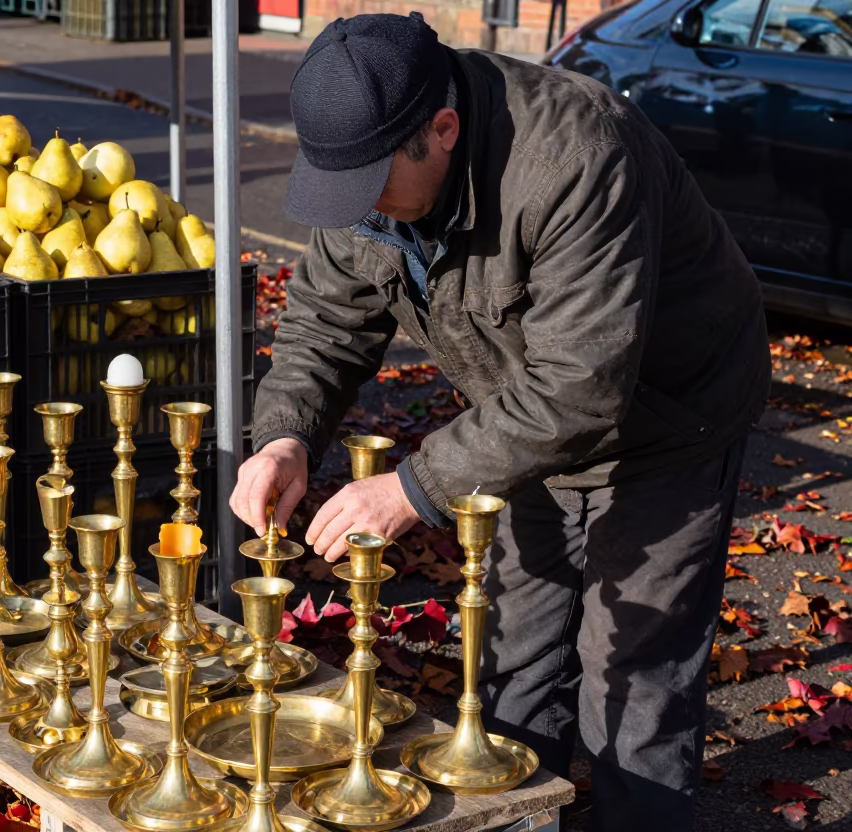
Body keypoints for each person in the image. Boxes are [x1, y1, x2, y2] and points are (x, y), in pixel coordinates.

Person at [230, 12, 769, 832]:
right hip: (524, 423)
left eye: (371, 185)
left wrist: (413, 488)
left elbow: (582, 384)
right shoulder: (366, 165)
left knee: (633, 678)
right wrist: (285, 436)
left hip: (671, 419)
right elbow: (324, 321)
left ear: (441, 130)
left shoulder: (578, 155)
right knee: (518, 657)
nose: (359, 210)